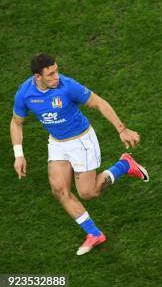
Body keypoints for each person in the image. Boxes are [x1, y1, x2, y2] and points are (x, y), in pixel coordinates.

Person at [10, 53, 149, 255]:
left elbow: (100, 103)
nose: (56, 76)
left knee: (88, 192)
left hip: (82, 142)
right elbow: (16, 122)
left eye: (56, 71)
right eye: (50, 74)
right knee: (59, 190)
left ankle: (125, 165)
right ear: (37, 77)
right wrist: (18, 154)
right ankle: (94, 234)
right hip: (57, 143)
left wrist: (122, 129)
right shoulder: (25, 94)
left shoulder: (67, 86)